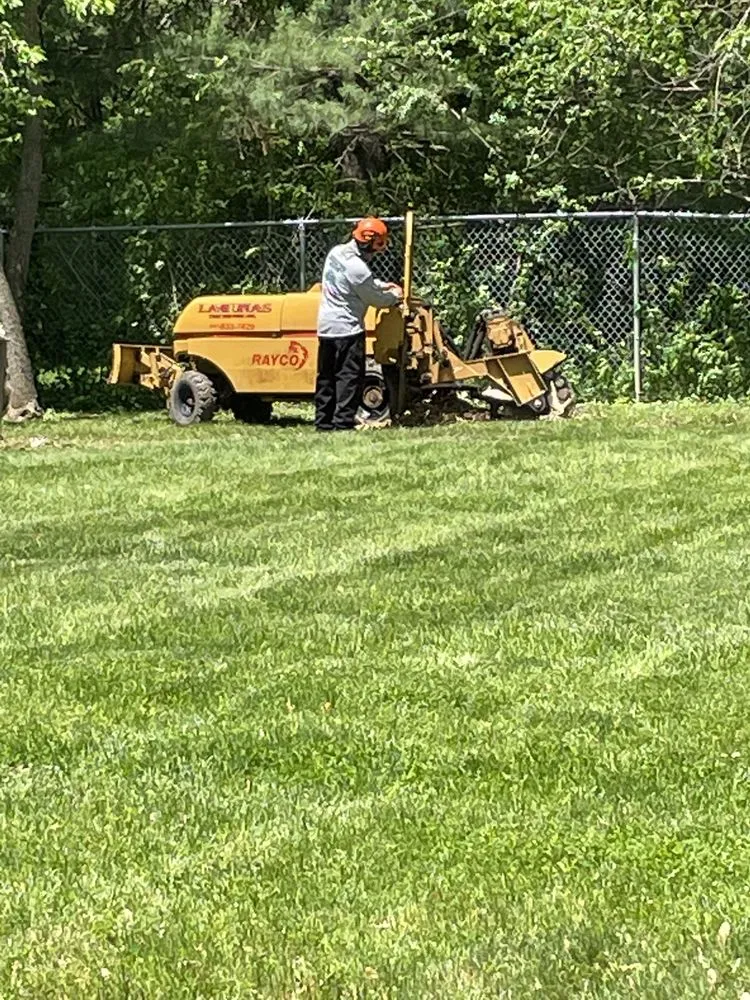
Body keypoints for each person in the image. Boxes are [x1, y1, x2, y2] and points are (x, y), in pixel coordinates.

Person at [315, 217, 403, 431]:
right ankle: (343, 423)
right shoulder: (357, 267)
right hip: (348, 329)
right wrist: (395, 296)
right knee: (349, 377)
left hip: (326, 327)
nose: (377, 252)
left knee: (326, 377)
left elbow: (359, 283)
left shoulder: (336, 253)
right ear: (368, 242)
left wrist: (382, 285)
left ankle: (323, 422)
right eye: (377, 246)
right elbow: (375, 299)